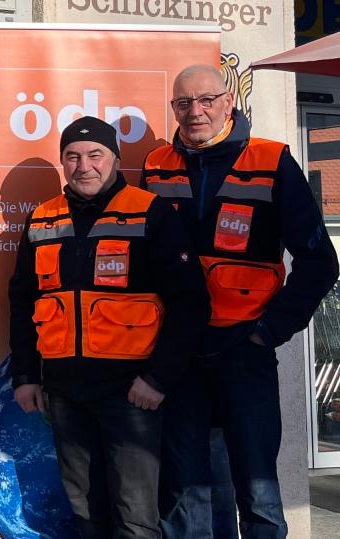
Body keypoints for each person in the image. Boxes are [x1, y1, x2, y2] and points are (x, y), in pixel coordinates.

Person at [145, 64, 339, 539]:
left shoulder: (271, 161)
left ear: (228, 101)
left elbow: (320, 262)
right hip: (178, 354)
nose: (195, 111)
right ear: (173, 109)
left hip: (243, 350)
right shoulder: (155, 166)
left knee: (257, 489)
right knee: (182, 491)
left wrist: (268, 332)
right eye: (184, 103)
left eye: (206, 100)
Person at [8, 116, 209, 538]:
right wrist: (26, 376)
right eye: (72, 156)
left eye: (95, 155)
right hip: (64, 392)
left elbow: (190, 302)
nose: (84, 166)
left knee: (134, 516)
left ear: (115, 159)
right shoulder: (42, 219)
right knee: (85, 512)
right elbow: (22, 302)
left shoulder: (150, 212)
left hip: (131, 393)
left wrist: (157, 379)